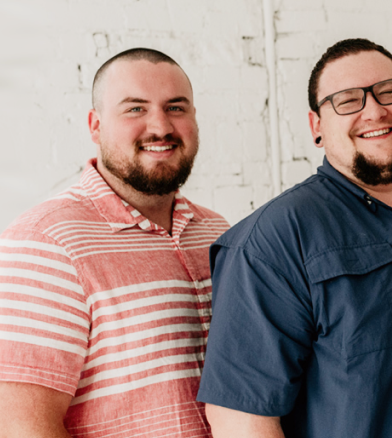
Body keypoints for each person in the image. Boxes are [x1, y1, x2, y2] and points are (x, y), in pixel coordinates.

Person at [196, 38, 392, 438]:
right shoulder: (272, 242)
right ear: (317, 127)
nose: (375, 110)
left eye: (388, 91)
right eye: (347, 100)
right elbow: (242, 417)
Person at [0, 48, 229, 437]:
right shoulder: (46, 241)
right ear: (95, 126)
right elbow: (21, 424)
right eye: (135, 109)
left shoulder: (216, 232)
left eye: (176, 107)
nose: (160, 126)